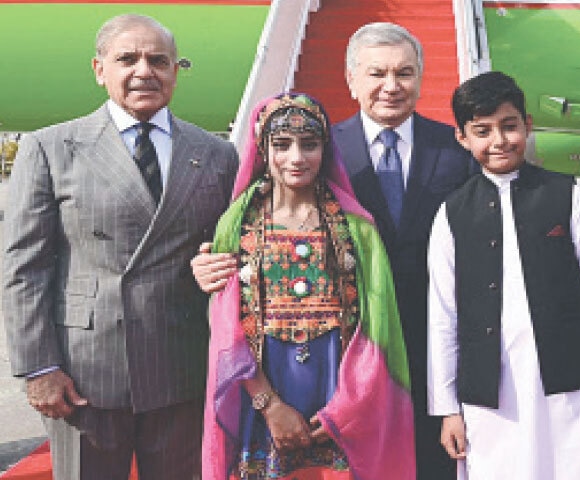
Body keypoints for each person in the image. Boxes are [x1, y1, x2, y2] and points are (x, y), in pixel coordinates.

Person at [1, 14, 238, 480]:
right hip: (85, 374)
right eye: (127, 59)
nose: (144, 71)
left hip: (183, 368)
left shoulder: (215, 153)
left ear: (175, 71)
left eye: (159, 60)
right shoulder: (52, 147)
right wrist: (38, 367)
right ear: (99, 69)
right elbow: (25, 268)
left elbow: (228, 246)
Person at [427, 71, 580, 479]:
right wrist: (448, 409)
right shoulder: (452, 213)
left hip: (570, 387)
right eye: (482, 131)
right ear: (462, 138)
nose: (499, 141)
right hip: (487, 397)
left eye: (509, 127)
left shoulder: (568, 197)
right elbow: (442, 315)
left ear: (528, 125)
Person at [199, 93, 415, 480]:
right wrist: (269, 406)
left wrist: (346, 408)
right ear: (263, 150)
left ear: (325, 149)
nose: (296, 157)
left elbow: (378, 328)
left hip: (339, 392)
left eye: (309, 144)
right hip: (263, 389)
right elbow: (227, 331)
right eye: (282, 145)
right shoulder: (237, 223)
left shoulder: (357, 228)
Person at [333, 22, 476, 479]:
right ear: (351, 79)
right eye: (377, 74)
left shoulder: (456, 149)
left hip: (436, 341)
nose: (391, 87)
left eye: (404, 73)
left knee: (435, 464)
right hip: (353, 344)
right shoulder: (323, 151)